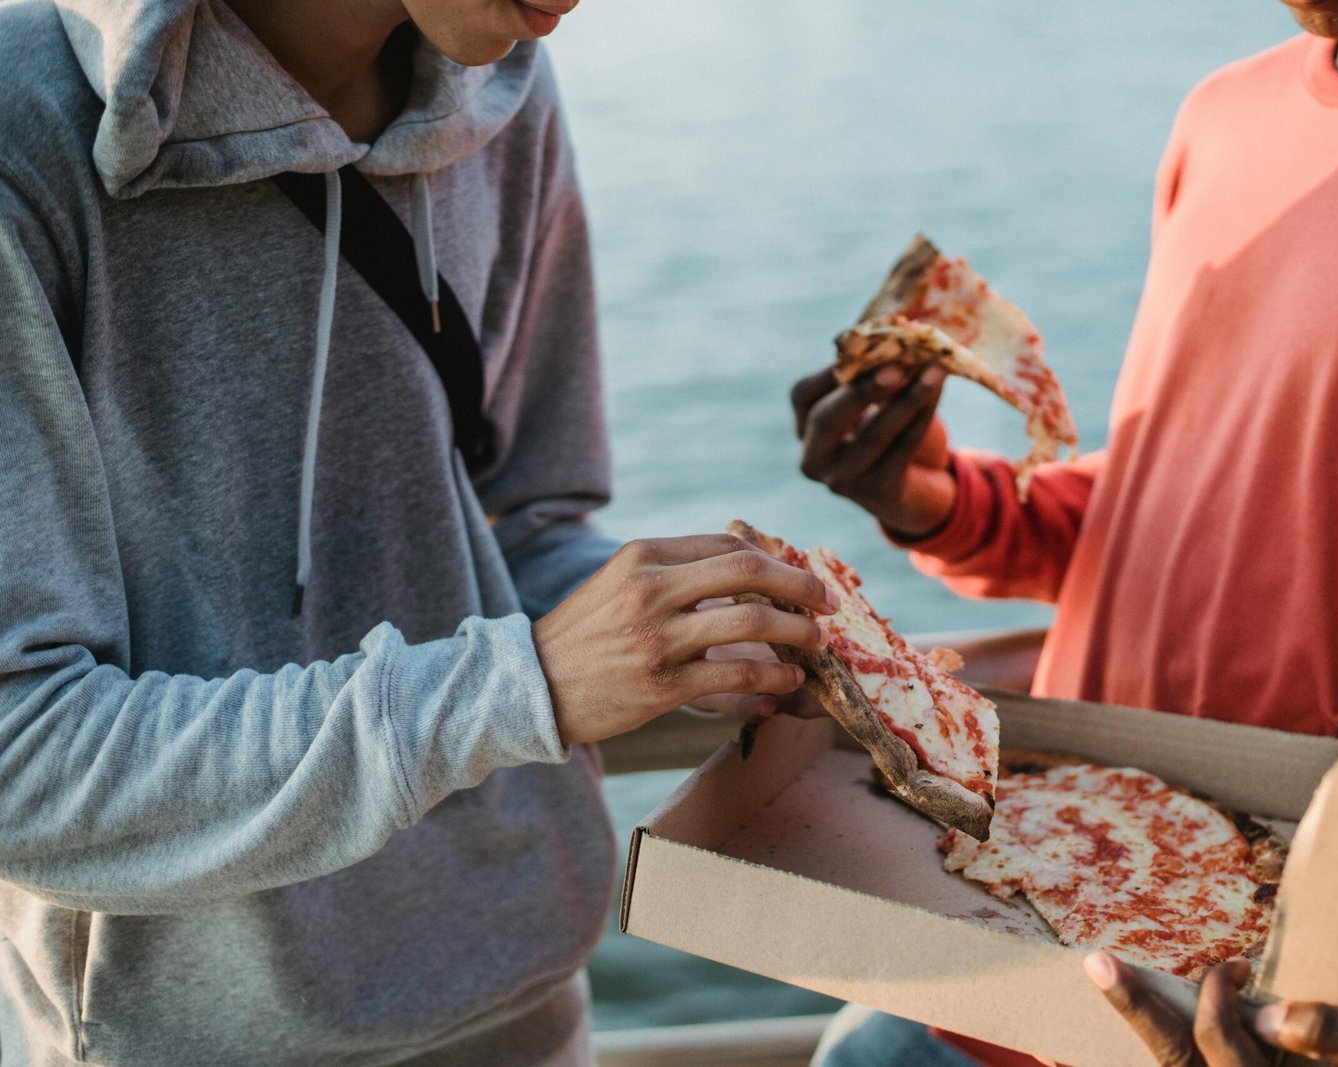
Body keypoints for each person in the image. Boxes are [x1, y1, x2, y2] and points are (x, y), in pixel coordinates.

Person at [0, 0, 840, 1064]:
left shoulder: (503, 96)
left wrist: (702, 635)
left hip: (528, 1002)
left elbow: (521, 528)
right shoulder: (24, 130)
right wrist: (521, 683)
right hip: (198, 1037)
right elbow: (20, 758)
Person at [794, 0, 1338, 1064]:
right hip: (1028, 927)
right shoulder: (1227, 110)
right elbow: (1179, 492)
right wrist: (941, 501)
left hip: (1294, 1015)